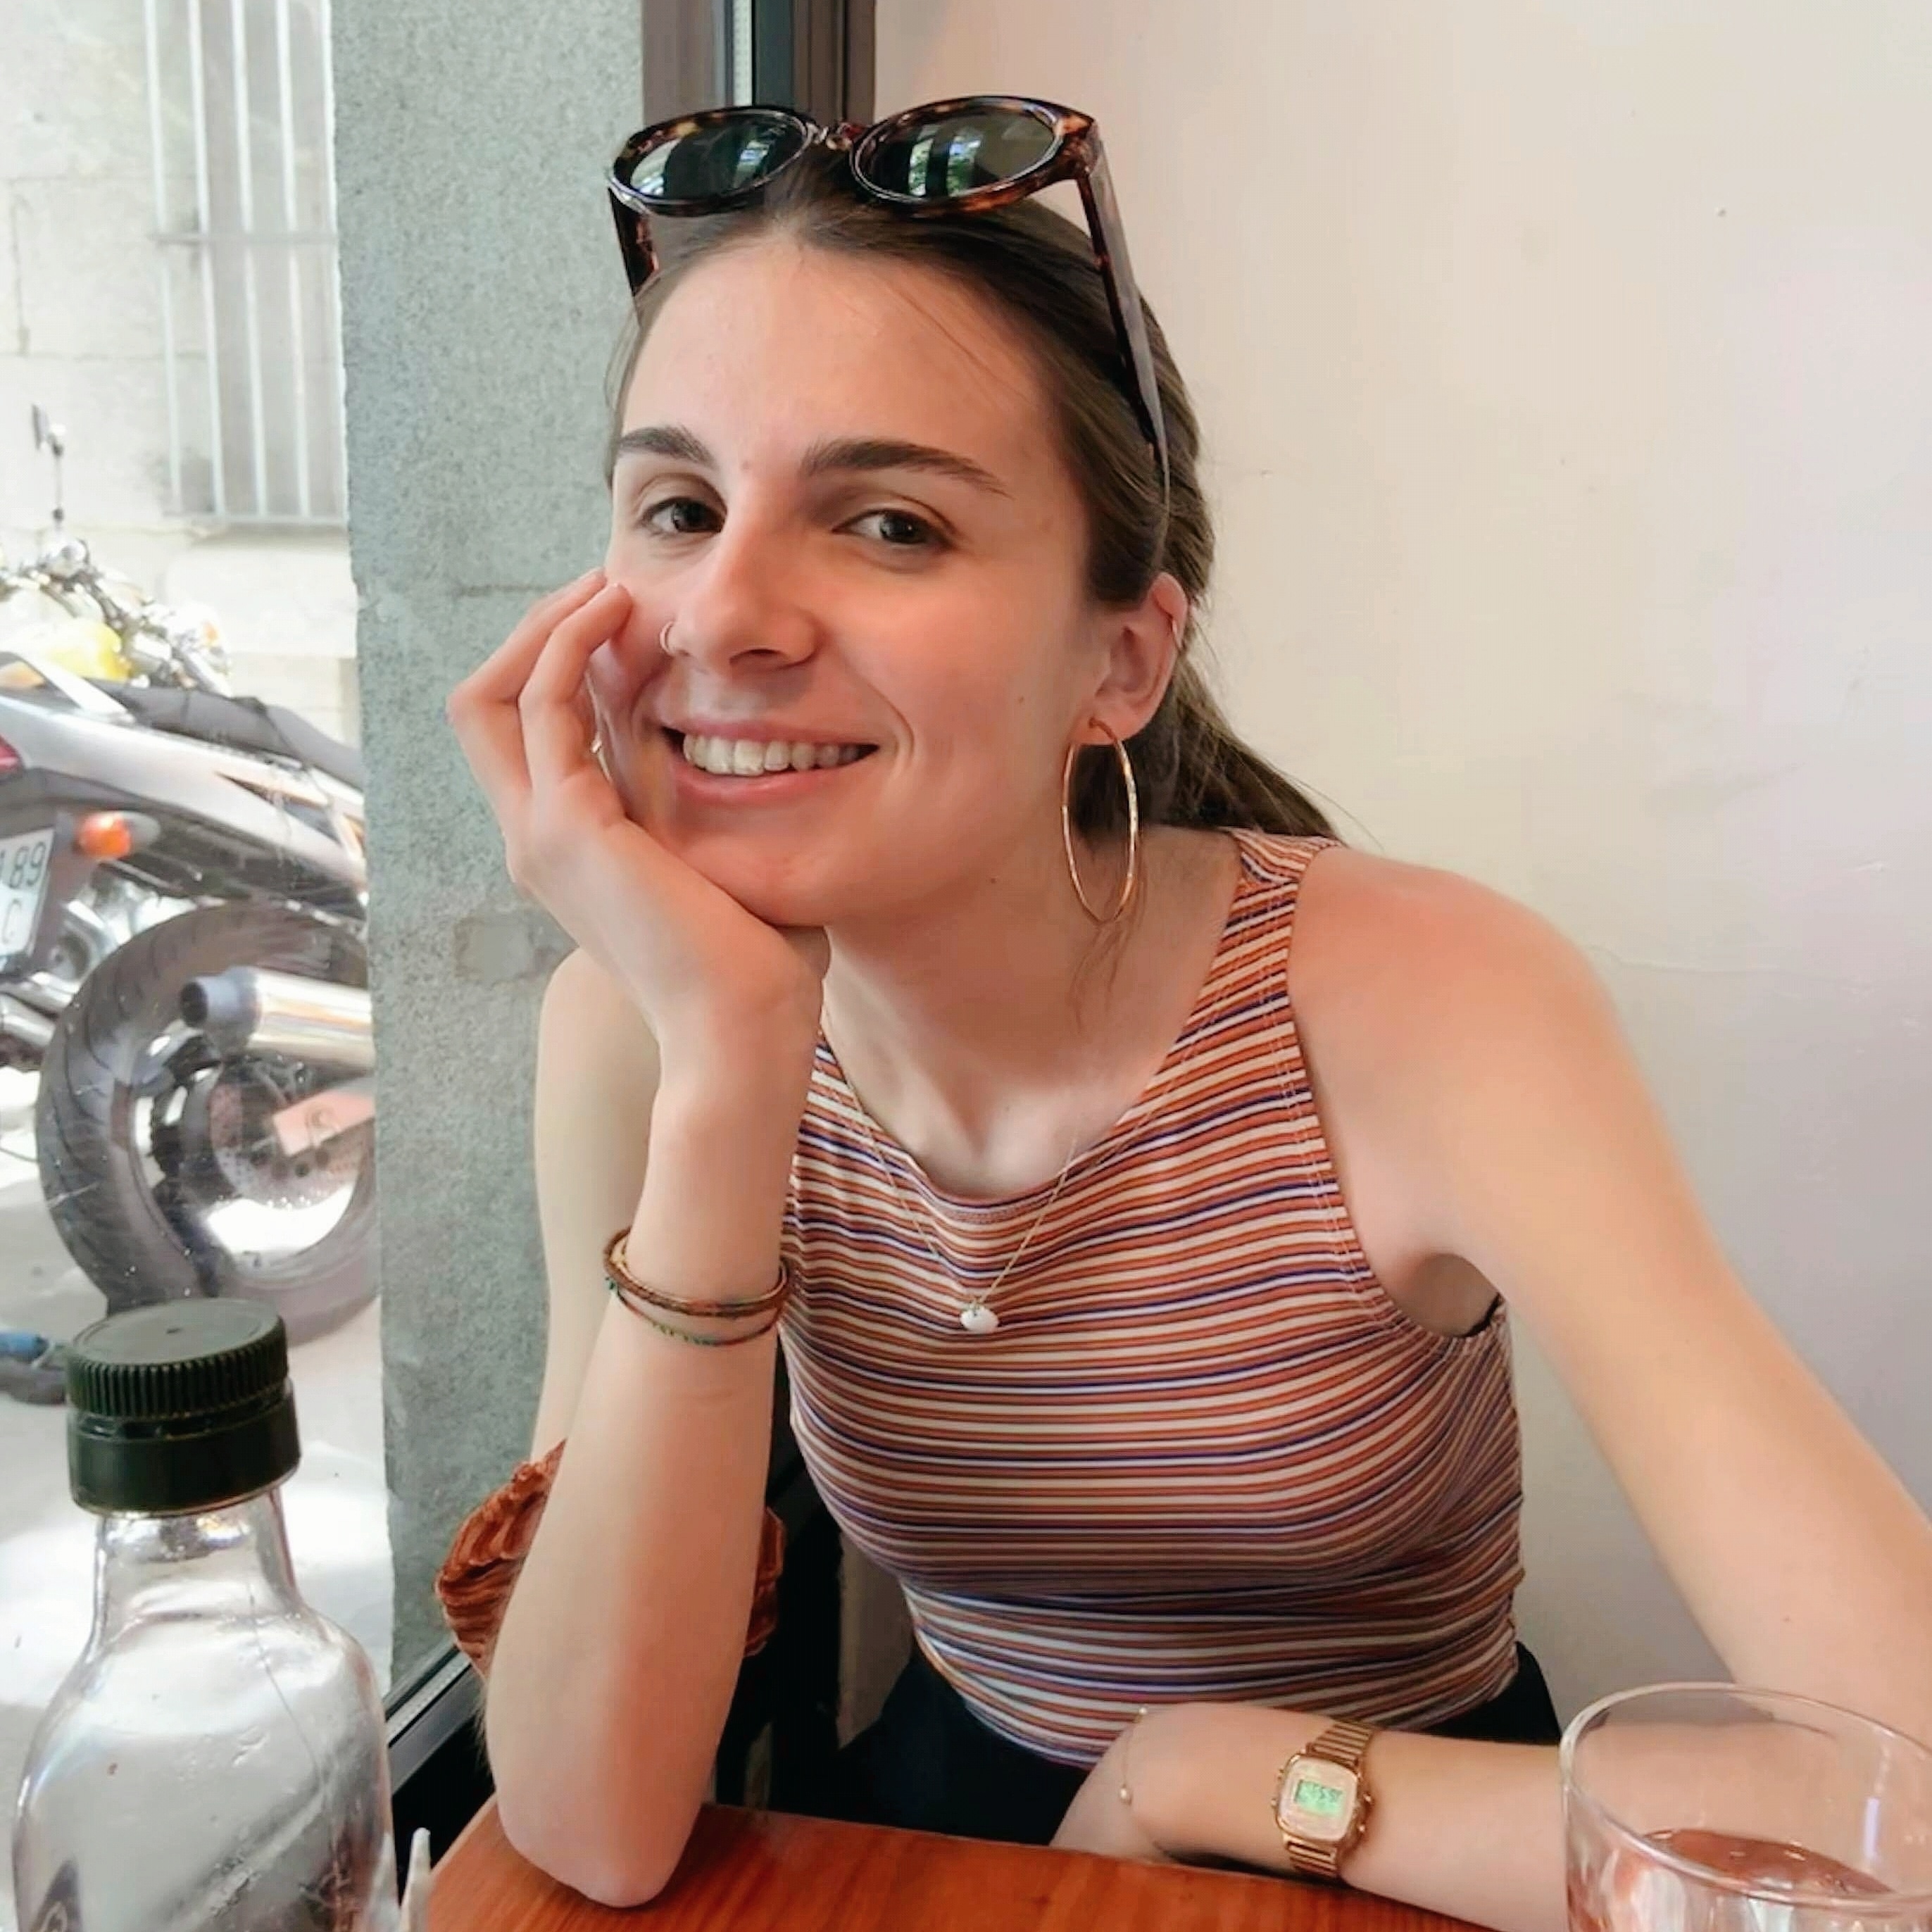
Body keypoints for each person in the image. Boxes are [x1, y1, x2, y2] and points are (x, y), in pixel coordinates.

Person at [444, 99, 1932, 1926]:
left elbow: (1908, 1803)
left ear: (1122, 659)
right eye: (677, 509)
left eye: (890, 523)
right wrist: (729, 1070)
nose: (721, 615)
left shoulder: (1429, 1003)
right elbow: (591, 1820)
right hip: (949, 1834)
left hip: (1383, 1836)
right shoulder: (641, 1026)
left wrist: (1199, 1772)